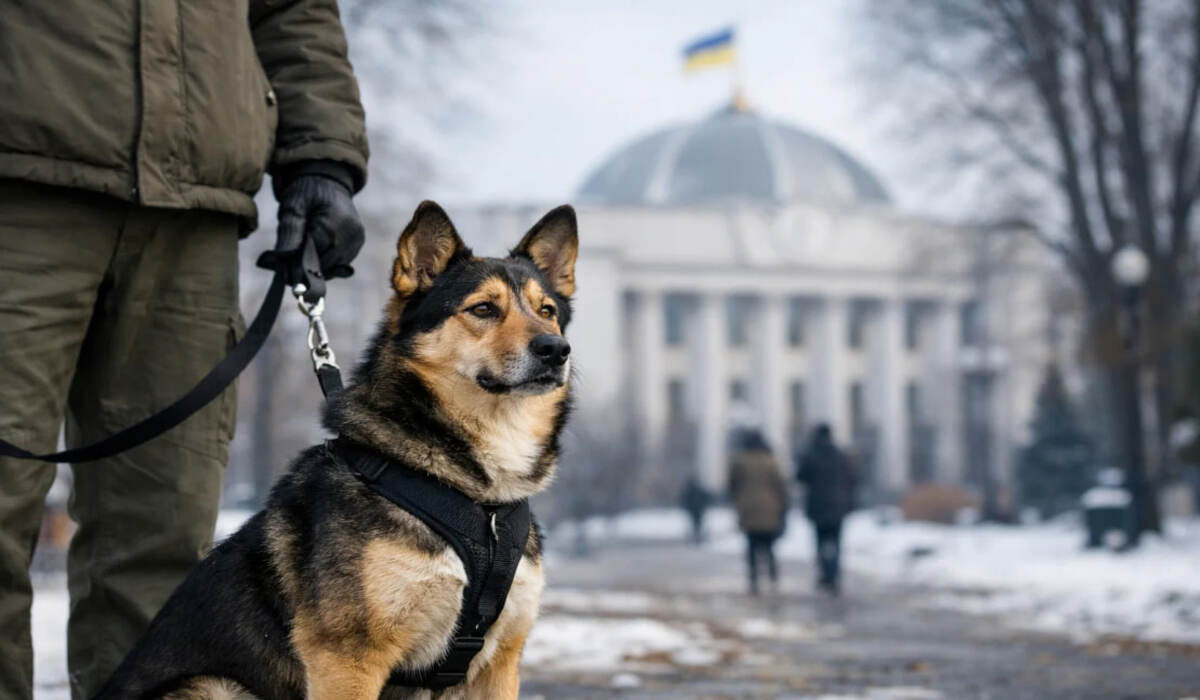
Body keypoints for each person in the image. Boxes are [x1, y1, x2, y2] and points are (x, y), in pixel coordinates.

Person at [0, 3, 368, 698]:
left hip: (194, 206)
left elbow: (293, 10)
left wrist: (321, 155)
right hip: (19, 187)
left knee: (164, 544)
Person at [796, 424, 857, 594]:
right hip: (838, 507)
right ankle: (834, 574)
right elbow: (852, 479)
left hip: (818, 506)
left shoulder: (811, 455)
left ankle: (824, 573)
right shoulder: (841, 456)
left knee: (821, 541)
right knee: (836, 542)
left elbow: (800, 477)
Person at [727, 429, 788, 596]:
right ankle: (773, 577)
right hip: (770, 508)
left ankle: (753, 579)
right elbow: (781, 486)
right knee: (769, 546)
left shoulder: (740, 461)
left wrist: (737, 501)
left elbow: (732, 485)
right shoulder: (771, 461)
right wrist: (782, 506)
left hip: (748, 509)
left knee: (752, 546)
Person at [679, 476, 712, 545]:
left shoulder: (690, 491)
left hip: (695, 509)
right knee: (697, 523)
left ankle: (697, 536)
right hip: (697, 509)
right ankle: (697, 536)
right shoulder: (697, 490)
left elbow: (685, 499)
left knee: (696, 523)